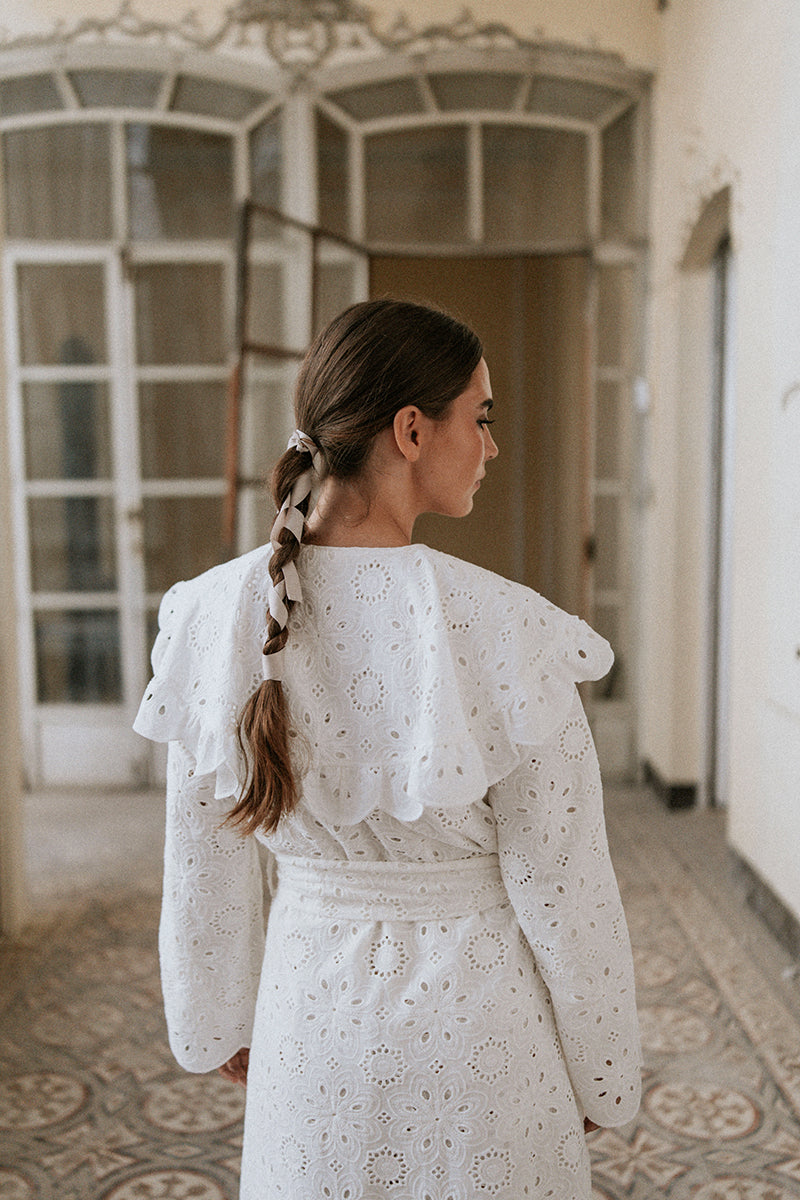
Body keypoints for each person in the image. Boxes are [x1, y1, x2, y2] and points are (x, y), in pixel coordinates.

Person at [134, 298, 641, 1199]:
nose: (491, 446)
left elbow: (202, 857)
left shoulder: (213, 616)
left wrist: (217, 1021)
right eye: (480, 418)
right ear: (412, 429)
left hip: (309, 1029)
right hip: (487, 1048)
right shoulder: (507, 631)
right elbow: (564, 886)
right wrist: (603, 1069)